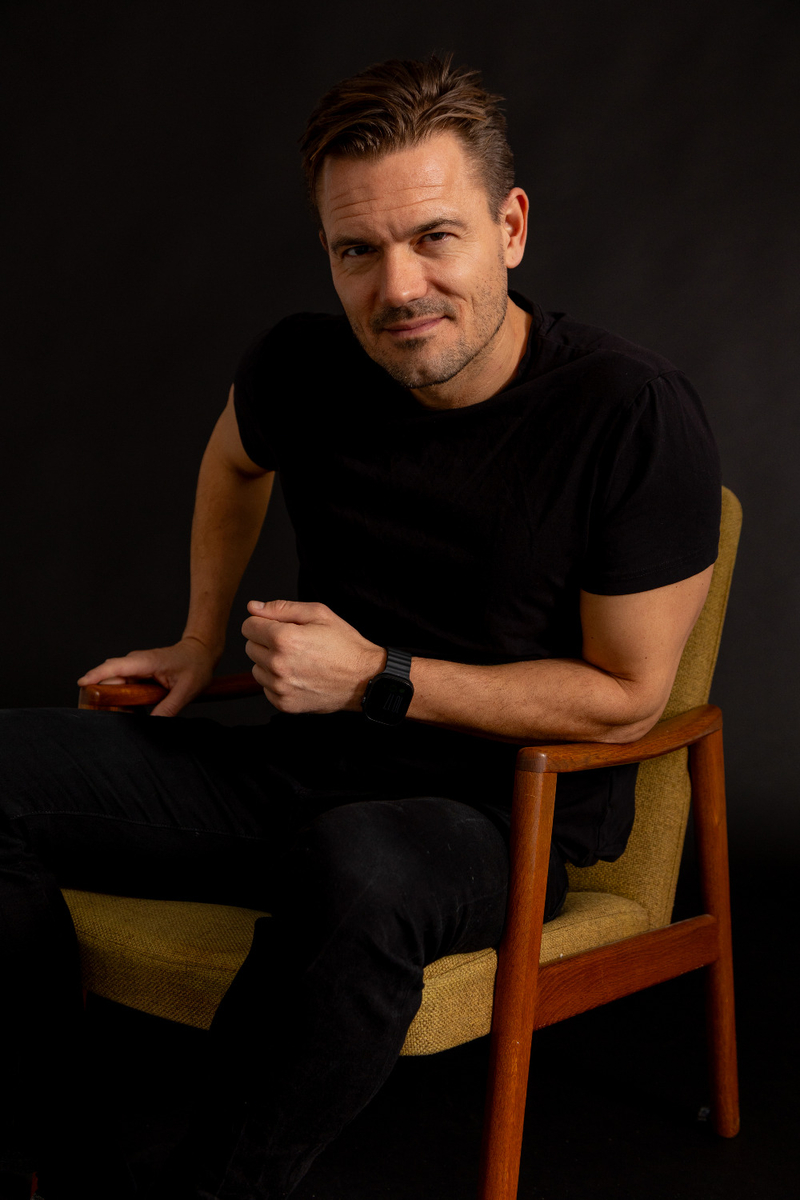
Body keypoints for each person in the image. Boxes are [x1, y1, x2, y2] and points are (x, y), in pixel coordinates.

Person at [0, 55, 721, 1200]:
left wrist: (378, 676)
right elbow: (233, 460)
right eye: (357, 250)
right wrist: (197, 639)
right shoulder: (303, 363)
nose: (398, 287)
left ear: (509, 228)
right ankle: (67, 1155)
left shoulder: (627, 412)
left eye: (434, 238)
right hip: (297, 776)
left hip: (494, 819)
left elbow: (626, 697)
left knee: (362, 866)